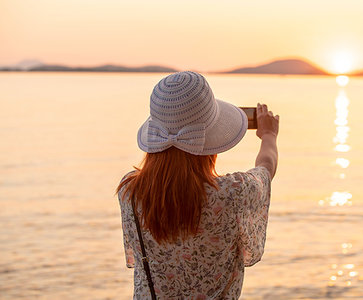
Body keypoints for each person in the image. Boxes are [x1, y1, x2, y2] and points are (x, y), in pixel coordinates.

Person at [117, 71, 279, 299]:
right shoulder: (232, 194)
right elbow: (265, 168)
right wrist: (269, 135)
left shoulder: (130, 192)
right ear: (211, 139)